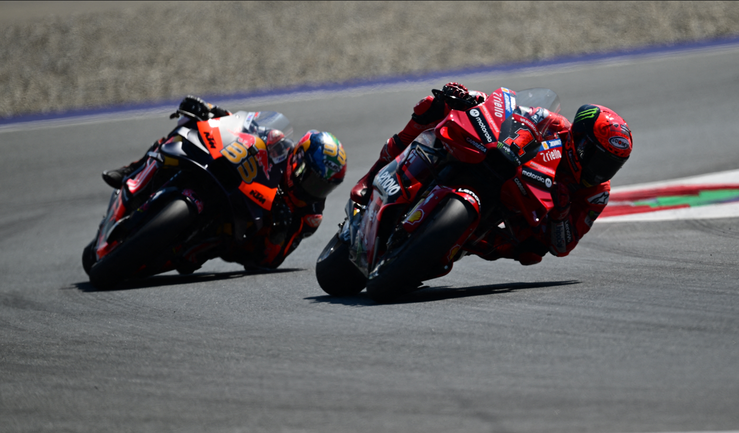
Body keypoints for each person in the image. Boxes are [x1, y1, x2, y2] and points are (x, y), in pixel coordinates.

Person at [350, 82, 633, 266]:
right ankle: (373, 174)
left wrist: (559, 214)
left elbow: (563, 246)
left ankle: (455, 243)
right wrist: (471, 97)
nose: (599, 171)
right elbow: (508, 110)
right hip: (504, 163)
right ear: (579, 139)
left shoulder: (596, 193)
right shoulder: (555, 125)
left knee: (532, 253)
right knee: (434, 106)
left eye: (610, 166)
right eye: (596, 158)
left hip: (522, 210)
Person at [103, 95, 347, 270]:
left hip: (238, 237)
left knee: (189, 257)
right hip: (233, 183)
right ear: (299, 159)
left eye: (323, 186)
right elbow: (243, 125)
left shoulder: (309, 215)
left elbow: (269, 262)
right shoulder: (277, 143)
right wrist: (211, 111)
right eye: (312, 179)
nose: (314, 189)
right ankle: (133, 170)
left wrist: (278, 233)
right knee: (186, 129)